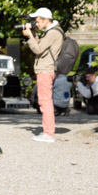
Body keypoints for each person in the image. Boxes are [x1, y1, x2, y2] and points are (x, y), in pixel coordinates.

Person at [22, 7, 63, 142]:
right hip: (45, 69)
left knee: (45, 102)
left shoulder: (52, 33)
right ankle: (48, 131)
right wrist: (34, 35)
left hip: (45, 70)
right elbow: (42, 46)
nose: (36, 24)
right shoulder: (51, 32)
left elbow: (38, 49)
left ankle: (48, 133)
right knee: (44, 101)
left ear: (46, 19)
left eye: (38, 21)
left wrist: (29, 36)